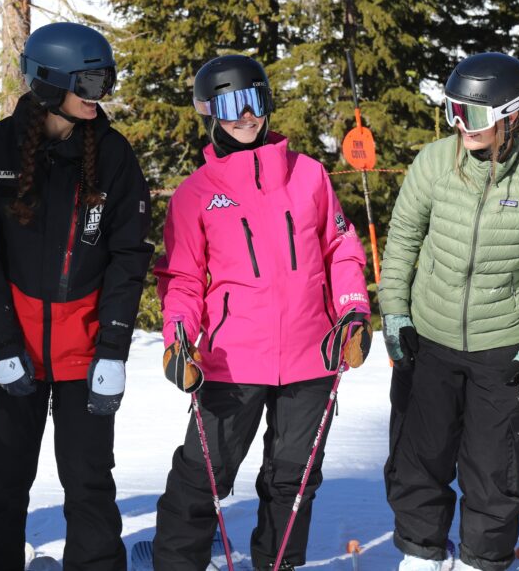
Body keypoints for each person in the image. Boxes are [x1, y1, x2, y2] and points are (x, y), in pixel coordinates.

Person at [151, 54, 373, 570]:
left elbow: (340, 249)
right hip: (232, 360)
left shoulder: (309, 175)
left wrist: (352, 311)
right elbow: (183, 279)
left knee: (293, 480)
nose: (246, 116)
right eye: (232, 106)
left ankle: (278, 564)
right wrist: (178, 337)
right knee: (202, 477)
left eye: (254, 101)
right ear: (210, 112)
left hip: (312, 355)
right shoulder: (196, 194)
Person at [0, 22, 153, 571]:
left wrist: (113, 349)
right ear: (48, 82)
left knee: (89, 479)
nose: (99, 96)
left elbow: (128, 257)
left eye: (105, 83)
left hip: (84, 352)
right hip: (13, 345)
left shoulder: (113, 155)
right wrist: (1, 343)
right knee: (6, 476)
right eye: (88, 84)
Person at [379, 53, 519, 571]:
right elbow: (403, 240)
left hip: (502, 348)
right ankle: (420, 553)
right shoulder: (433, 163)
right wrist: (395, 311)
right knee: (419, 457)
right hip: (430, 337)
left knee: (495, 469)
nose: (462, 125)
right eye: (454, 111)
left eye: (475, 114)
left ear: (513, 115)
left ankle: (480, 560)